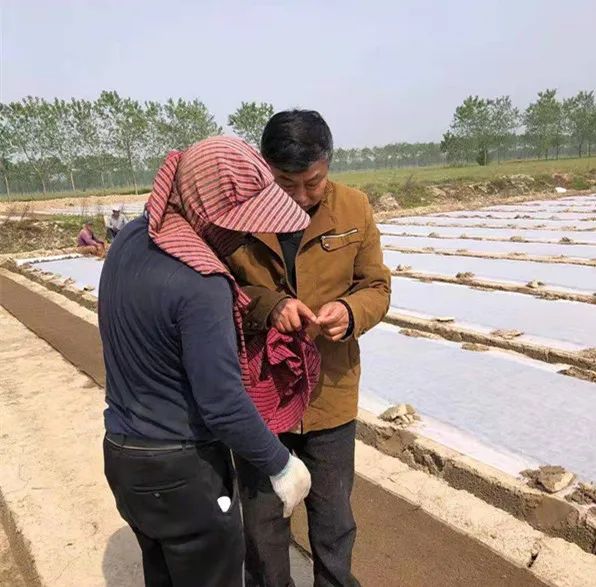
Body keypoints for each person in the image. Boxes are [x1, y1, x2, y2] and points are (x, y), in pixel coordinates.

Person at [99, 137, 314, 587]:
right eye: (237, 224)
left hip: (124, 457)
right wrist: (281, 464)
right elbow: (222, 404)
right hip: (182, 474)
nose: (243, 236)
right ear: (208, 212)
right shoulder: (202, 284)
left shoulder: (131, 241)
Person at [227, 110, 391, 587]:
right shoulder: (237, 218)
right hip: (262, 396)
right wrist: (269, 306)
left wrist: (350, 311)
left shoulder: (354, 208)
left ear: (328, 164)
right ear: (265, 168)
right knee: (262, 522)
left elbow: (376, 286)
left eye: (313, 183)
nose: (300, 196)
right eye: (286, 183)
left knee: (334, 521)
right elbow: (221, 288)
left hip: (330, 394)